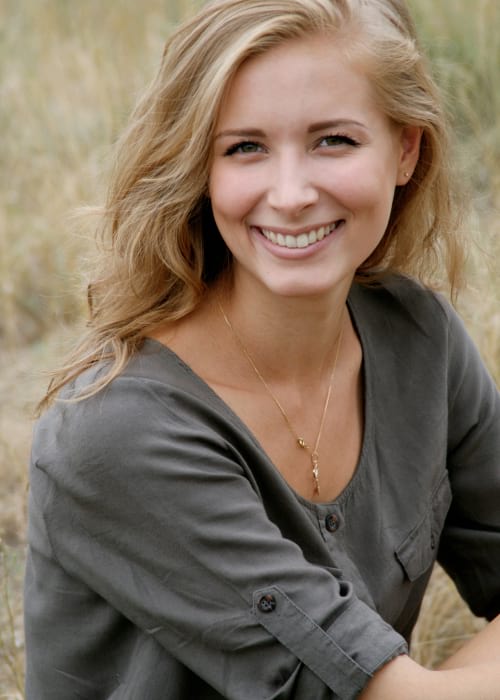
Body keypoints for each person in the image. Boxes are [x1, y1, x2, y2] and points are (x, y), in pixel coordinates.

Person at [24, 0, 500, 698]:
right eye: (245, 148)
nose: (291, 193)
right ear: (200, 168)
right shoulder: (116, 431)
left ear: (405, 150)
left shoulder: (418, 338)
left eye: (333, 140)